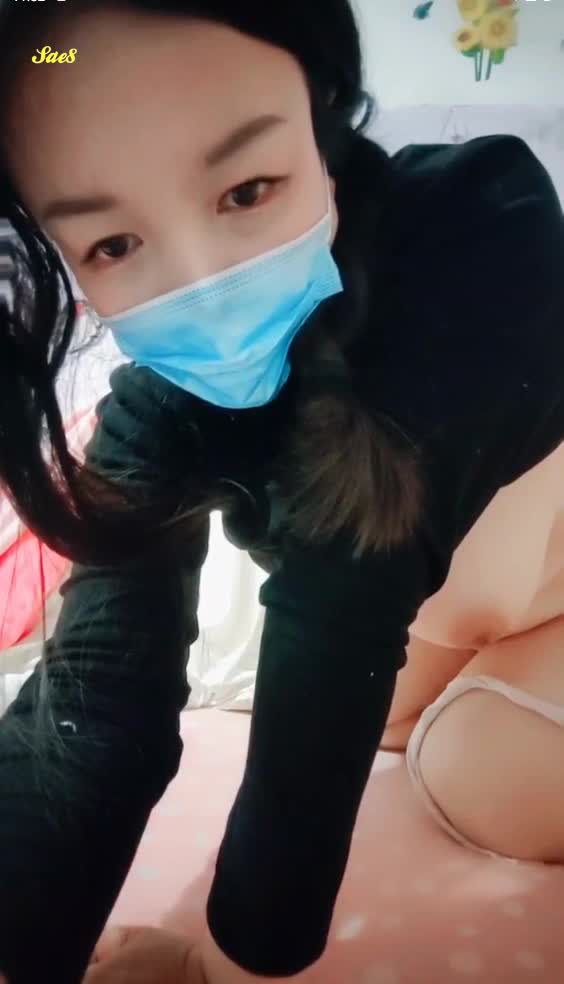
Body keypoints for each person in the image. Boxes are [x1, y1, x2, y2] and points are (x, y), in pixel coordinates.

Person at [0, 0, 563, 981]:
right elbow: (99, 696)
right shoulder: (161, 400)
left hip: (542, 603)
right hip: (440, 617)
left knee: (467, 776)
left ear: (322, 114)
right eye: (113, 245)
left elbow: (342, 606)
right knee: (369, 730)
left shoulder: (485, 226)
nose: (204, 280)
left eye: (247, 188)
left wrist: (233, 961)